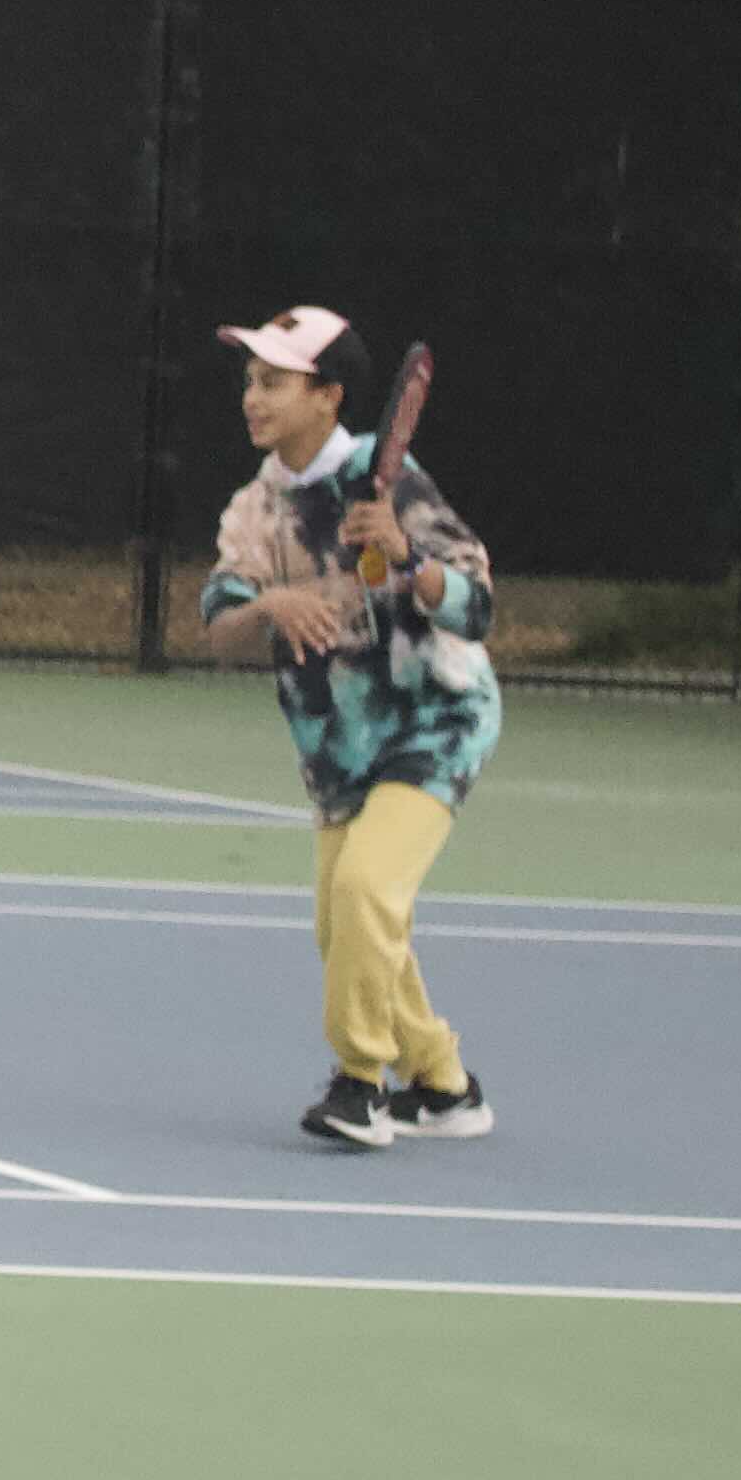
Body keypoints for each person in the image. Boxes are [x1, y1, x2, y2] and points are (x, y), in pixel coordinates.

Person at [194, 305, 501, 1151]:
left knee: (368, 892)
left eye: (274, 382)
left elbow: (479, 609)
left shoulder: (390, 479)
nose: (253, 398)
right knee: (347, 928)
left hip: (437, 719)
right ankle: (442, 1085)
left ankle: (359, 1084)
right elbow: (218, 627)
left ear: (327, 397)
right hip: (338, 747)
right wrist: (269, 603)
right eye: (250, 381)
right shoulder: (256, 510)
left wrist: (408, 555)